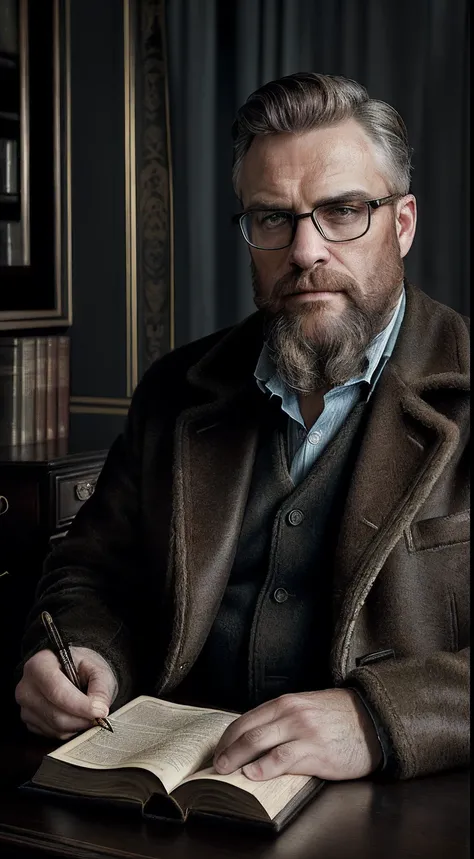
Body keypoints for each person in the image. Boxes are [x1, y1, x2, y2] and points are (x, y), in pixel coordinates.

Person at [15, 72, 469, 783]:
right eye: (273, 217)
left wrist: (379, 718)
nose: (306, 249)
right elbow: (91, 572)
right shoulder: (175, 389)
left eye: (343, 210)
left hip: (398, 812)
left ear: (402, 223)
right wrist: (81, 650)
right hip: (166, 792)